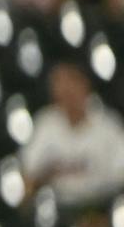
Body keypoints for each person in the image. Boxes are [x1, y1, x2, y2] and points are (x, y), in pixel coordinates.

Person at [19, 62, 124, 212]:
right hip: (58, 211)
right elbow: (29, 176)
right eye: (59, 85)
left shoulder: (108, 126)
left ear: (84, 84)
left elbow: (120, 176)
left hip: (99, 208)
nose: (65, 91)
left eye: (70, 84)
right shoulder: (46, 124)